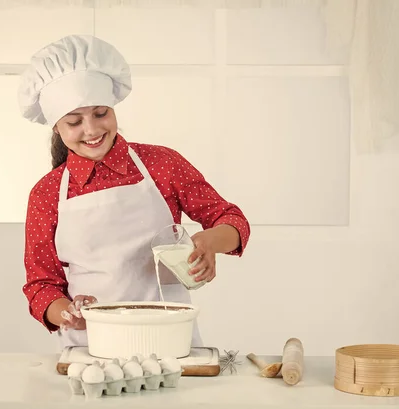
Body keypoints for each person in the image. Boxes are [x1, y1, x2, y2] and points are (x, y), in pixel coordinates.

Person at [18, 34, 250, 350]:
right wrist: (67, 313)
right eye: (74, 121)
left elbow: (232, 220)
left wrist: (208, 242)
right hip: (91, 346)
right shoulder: (46, 194)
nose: (91, 130)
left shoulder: (162, 164)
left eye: (101, 113)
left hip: (169, 338)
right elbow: (41, 285)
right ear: (56, 128)